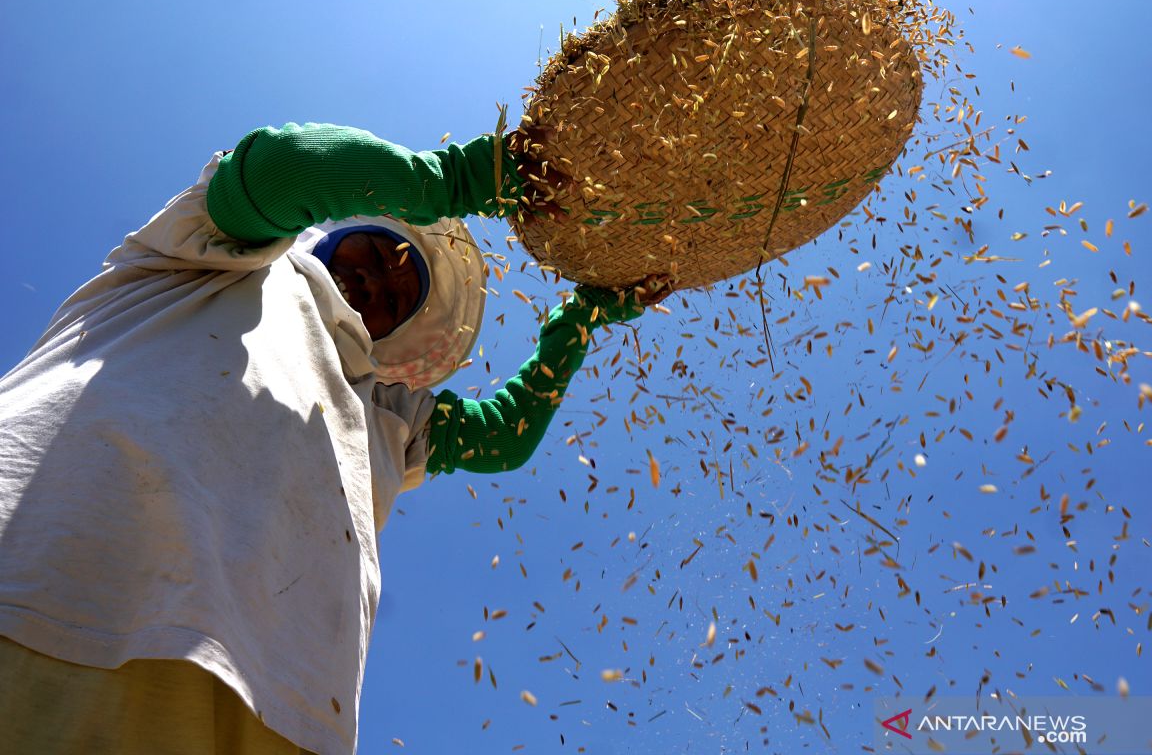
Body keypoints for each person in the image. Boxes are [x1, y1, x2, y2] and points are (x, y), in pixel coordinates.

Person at [0, 122, 670, 754]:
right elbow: (285, 166)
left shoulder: (382, 410)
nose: (376, 280)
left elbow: (504, 439)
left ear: (395, 333)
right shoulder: (223, 252)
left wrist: (576, 322)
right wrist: (459, 178)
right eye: (375, 252)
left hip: (280, 700)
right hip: (57, 592)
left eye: (393, 296)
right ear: (335, 232)